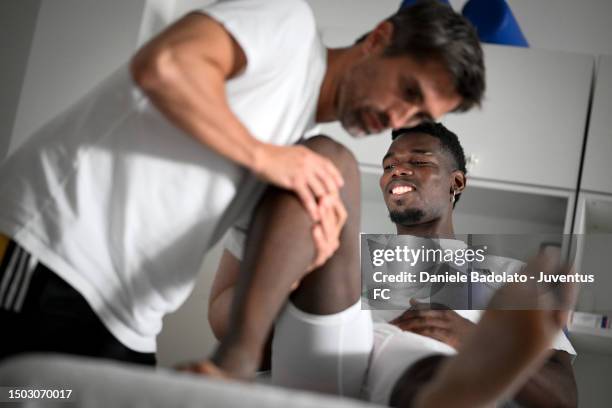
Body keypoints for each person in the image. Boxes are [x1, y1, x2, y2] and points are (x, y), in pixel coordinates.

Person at [0, 0, 485, 369]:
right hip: (53, 254)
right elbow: (166, 65)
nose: (398, 118)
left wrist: (304, 265)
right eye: (407, 90)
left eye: (419, 114)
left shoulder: (300, 143)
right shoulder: (287, 23)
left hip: (130, 323)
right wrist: (266, 158)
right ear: (378, 39)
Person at [209, 123, 578, 407]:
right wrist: (292, 284)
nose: (397, 171)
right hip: (323, 358)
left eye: (418, 161)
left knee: (426, 365)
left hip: (415, 374)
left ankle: (458, 384)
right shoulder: (342, 257)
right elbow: (231, 325)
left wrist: (469, 339)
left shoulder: (507, 276)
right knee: (326, 157)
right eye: (389, 165)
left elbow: (563, 398)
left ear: (457, 182)